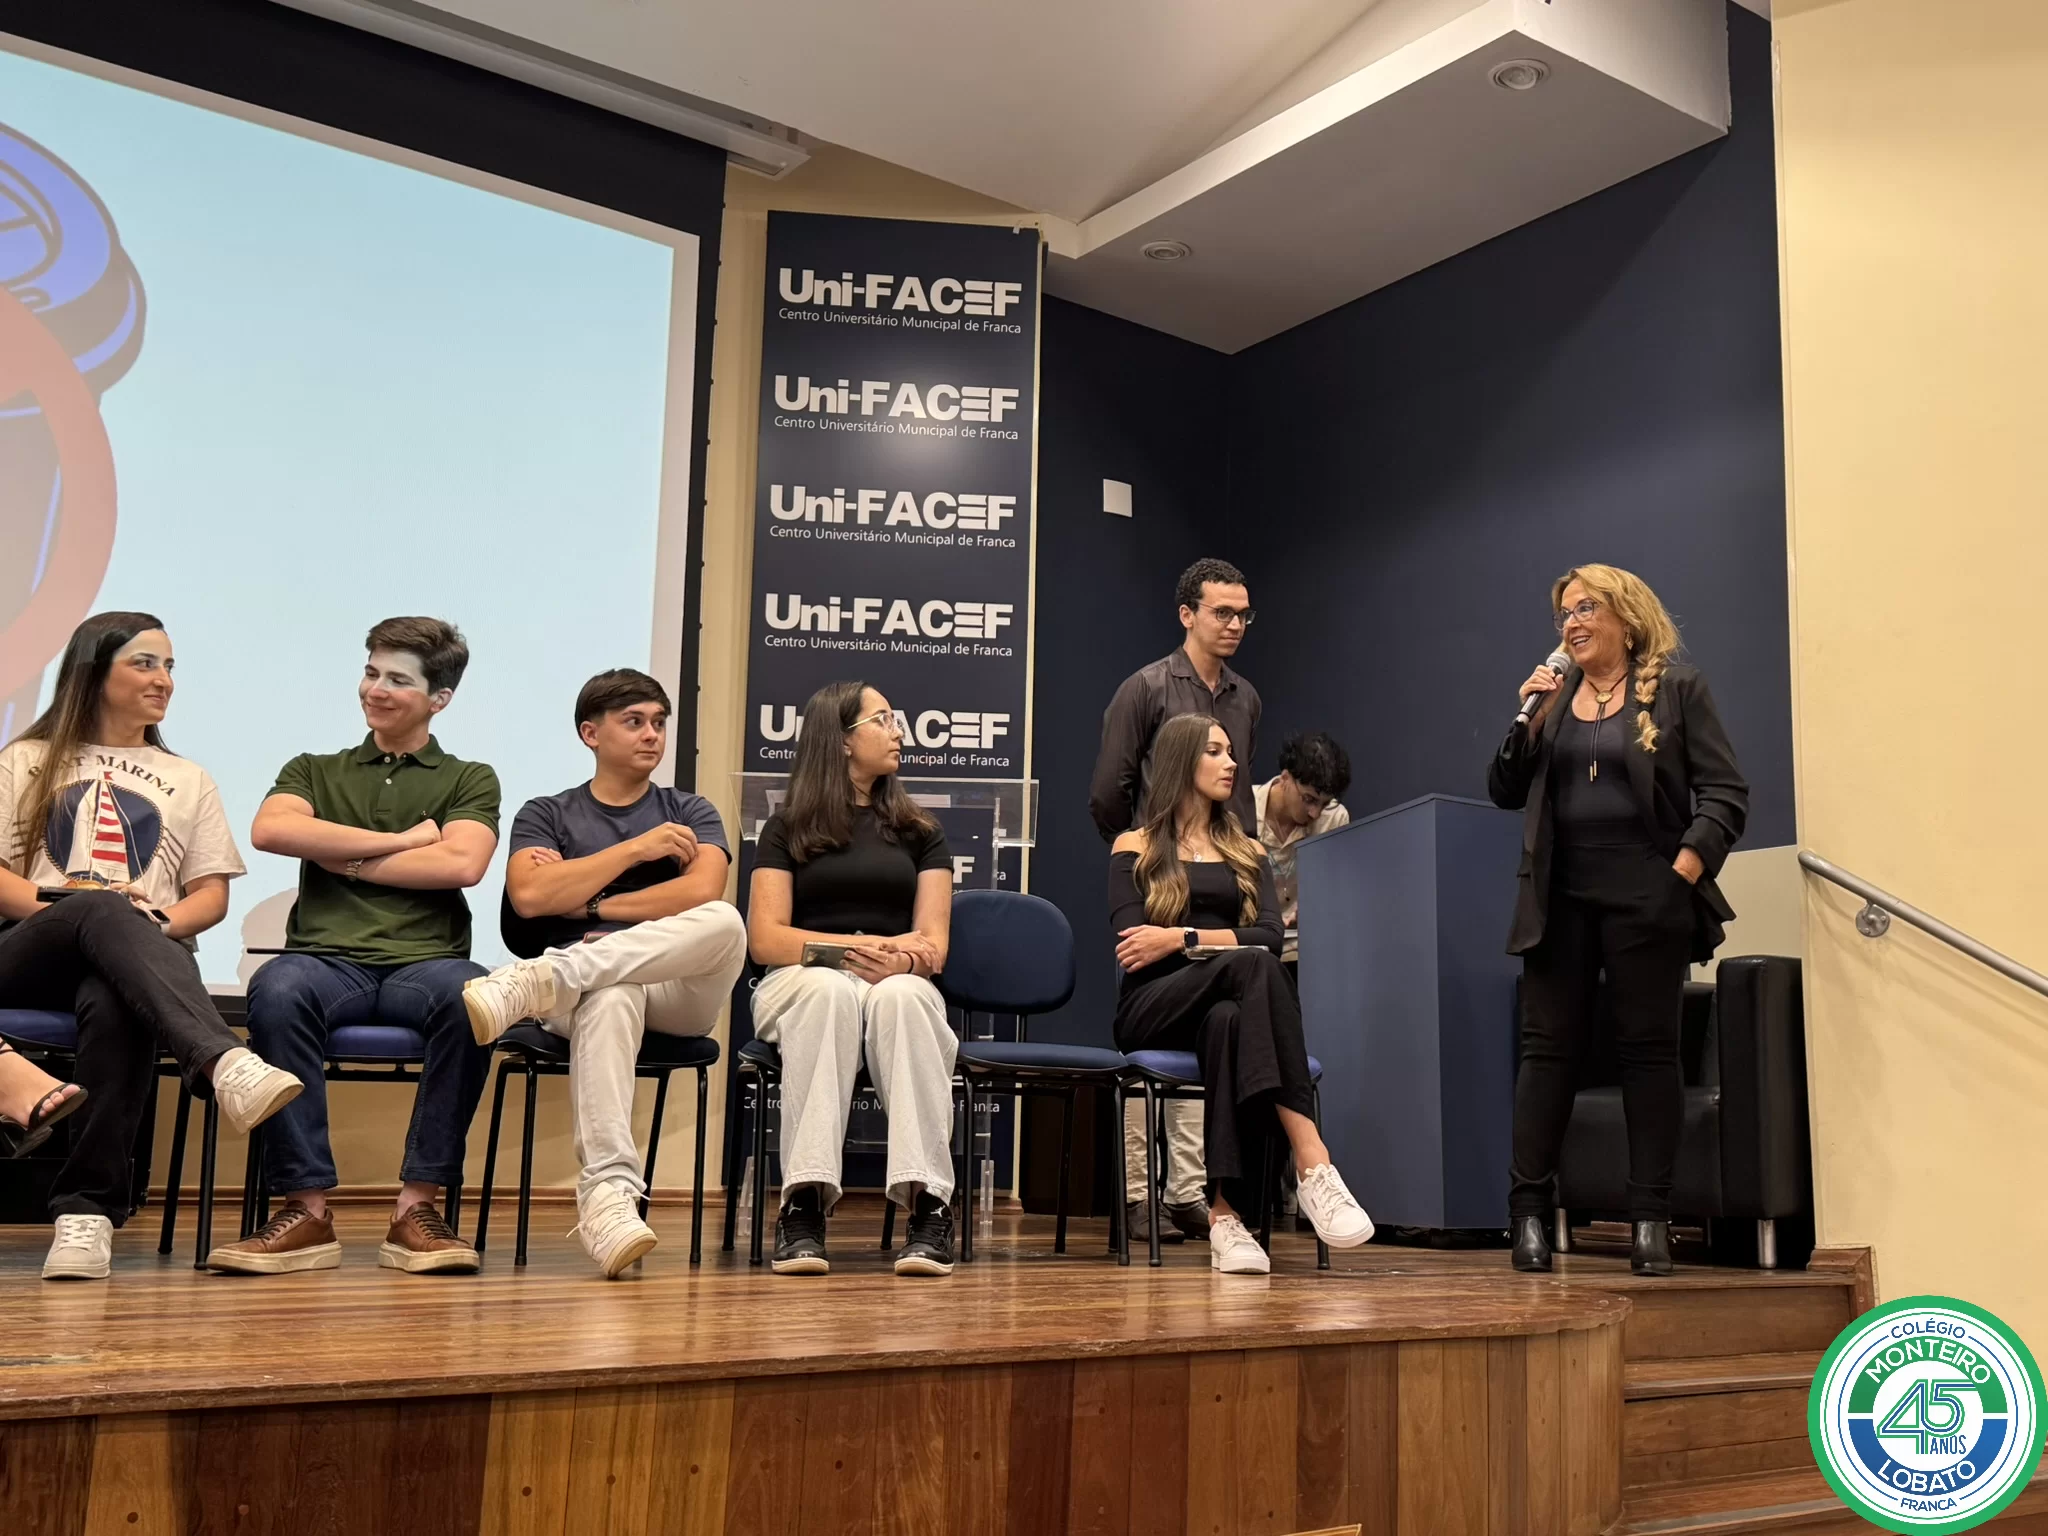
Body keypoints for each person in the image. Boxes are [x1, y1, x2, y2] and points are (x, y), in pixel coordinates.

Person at [0, 611, 301, 1281]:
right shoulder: (23, 760)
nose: (163, 679)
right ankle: (223, 1062)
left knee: (118, 1002)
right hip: (27, 950)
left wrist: (144, 928)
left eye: (169, 666)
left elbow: (209, 896)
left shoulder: (188, 777)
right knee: (101, 906)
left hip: (135, 957)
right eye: (144, 663)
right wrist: (89, 910)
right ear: (92, 671)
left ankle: (85, 1217)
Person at [209, 618, 500, 1277]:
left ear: (439, 699)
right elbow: (272, 831)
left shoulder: (470, 777)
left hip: (426, 964)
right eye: (371, 673)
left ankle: (417, 1208)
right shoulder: (314, 769)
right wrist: (407, 841)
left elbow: (461, 865)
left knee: (474, 996)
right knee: (277, 989)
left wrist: (340, 853)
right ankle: (306, 1210)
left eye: (398, 679)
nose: (376, 689)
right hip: (324, 961)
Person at [1487, 564, 1746, 1278]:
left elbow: (1726, 794)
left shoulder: (1678, 690)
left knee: (1649, 1054)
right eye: (1564, 613)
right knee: (1546, 1053)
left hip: (1648, 896)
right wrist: (1528, 716)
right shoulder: (1553, 696)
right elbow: (1504, 789)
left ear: (1626, 619)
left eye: (1585, 608)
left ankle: (1650, 1220)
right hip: (1560, 899)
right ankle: (1527, 1215)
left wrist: (1680, 876)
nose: (1570, 623)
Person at [462, 669, 747, 1278]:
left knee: (725, 921)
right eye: (634, 722)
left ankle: (543, 977)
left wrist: (588, 905)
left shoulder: (690, 810)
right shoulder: (547, 813)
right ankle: (609, 1198)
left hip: (671, 994)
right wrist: (637, 850)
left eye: (659, 723)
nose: (652, 735)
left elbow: (700, 893)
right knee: (613, 991)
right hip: (589, 1000)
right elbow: (531, 897)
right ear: (590, 733)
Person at [1109, 712, 1374, 1274]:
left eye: (1231, 752)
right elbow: (1136, 946)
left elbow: (1272, 936)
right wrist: (1213, 944)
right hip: (1154, 1006)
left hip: (1223, 1004)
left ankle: (1226, 1217)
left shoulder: (1246, 850)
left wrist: (1181, 937)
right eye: (1215, 752)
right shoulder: (1136, 845)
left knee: (1232, 1019)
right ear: (1181, 759)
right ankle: (1313, 1160)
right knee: (1253, 967)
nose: (1231, 763)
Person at [747, 680, 957, 1278]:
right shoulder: (787, 828)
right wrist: (865, 948)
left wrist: (904, 961)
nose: (898, 731)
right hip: (800, 983)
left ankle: (930, 1206)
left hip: (895, 979)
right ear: (841, 740)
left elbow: (933, 945)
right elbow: (766, 939)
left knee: (905, 999)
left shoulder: (920, 831)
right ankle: (804, 1203)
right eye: (882, 719)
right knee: (828, 989)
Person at [1091, 557, 1262, 1246]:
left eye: (1244, 614)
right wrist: (1148, 854)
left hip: (1222, 876)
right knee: (1155, 1035)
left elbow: (1239, 795)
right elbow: (1109, 790)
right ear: (1188, 614)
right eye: (1223, 612)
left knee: (1220, 1022)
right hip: (1159, 883)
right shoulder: (1146, 688)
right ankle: (1138, 1192)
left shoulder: (1246, 698)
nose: (1235, 624)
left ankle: (1189, 1190)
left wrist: (1227, 857)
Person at [1254, 731, 1353, 986]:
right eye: (1309, 799)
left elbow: (1335, 889)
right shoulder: (1243, 809)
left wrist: (1317, 907)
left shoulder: (1334, 818)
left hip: (1307, 950)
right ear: (1285, 778)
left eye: (1324, 803)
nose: (1315, 813)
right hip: (1252, 948)